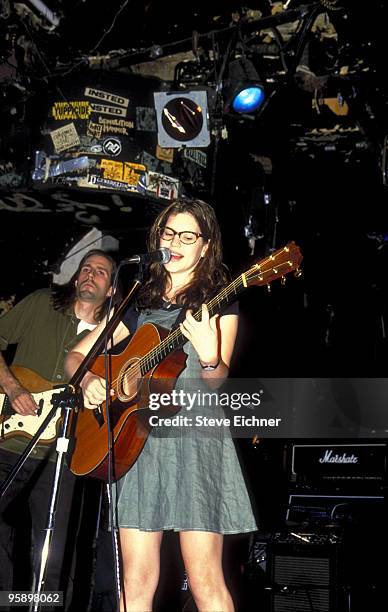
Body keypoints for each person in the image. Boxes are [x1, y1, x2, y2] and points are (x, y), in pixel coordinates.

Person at [65, 199, 257, 612]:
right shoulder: (137, 299)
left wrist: (209, 354)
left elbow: (217, 379)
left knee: (204, 575)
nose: (177, 243)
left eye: (189, 236)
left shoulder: (218, 299)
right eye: (170, 234)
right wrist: (91, 382)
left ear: (206, 246)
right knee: (135, 580)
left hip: (194, 436)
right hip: (137, 441)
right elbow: (75, 357)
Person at [0, 249, 117, 603]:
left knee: (53, 554)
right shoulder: (40, 304)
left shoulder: (115, 335)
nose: (90, 275)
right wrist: (12, 386)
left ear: (112, 290)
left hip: (61, 458)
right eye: (86, 268)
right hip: (8, 443)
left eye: (100, 272)